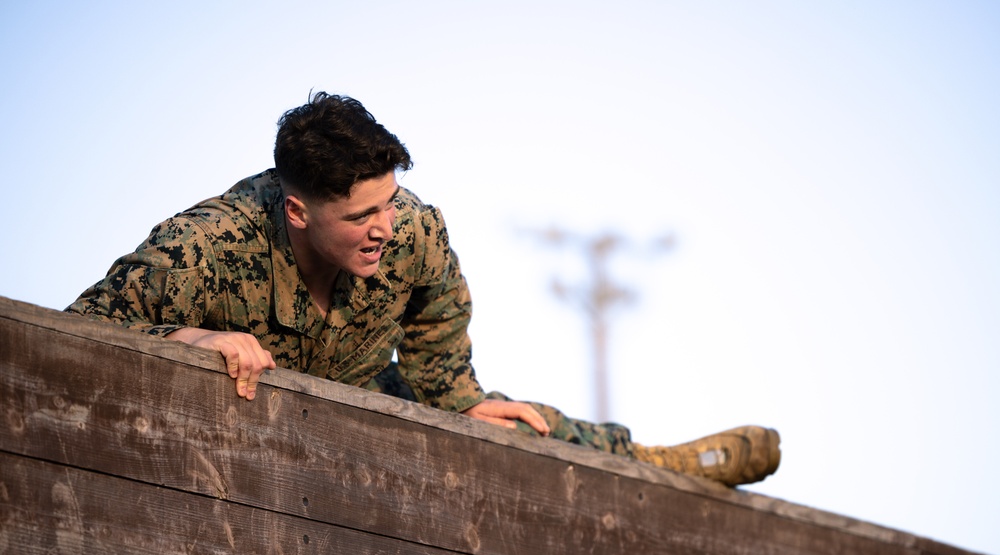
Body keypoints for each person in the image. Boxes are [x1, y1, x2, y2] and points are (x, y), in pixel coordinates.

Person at [66, 92, 780, 486]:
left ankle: (655, 463)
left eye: (390, 201)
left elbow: (440, 363)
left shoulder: (414, 232)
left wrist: (463, 404)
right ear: (298, 212)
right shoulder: (205, 246)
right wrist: (190, 339)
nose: (385, 227)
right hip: (226, 459)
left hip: (366, 414)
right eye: (360, 215)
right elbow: (76, 333)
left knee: (510, 426)